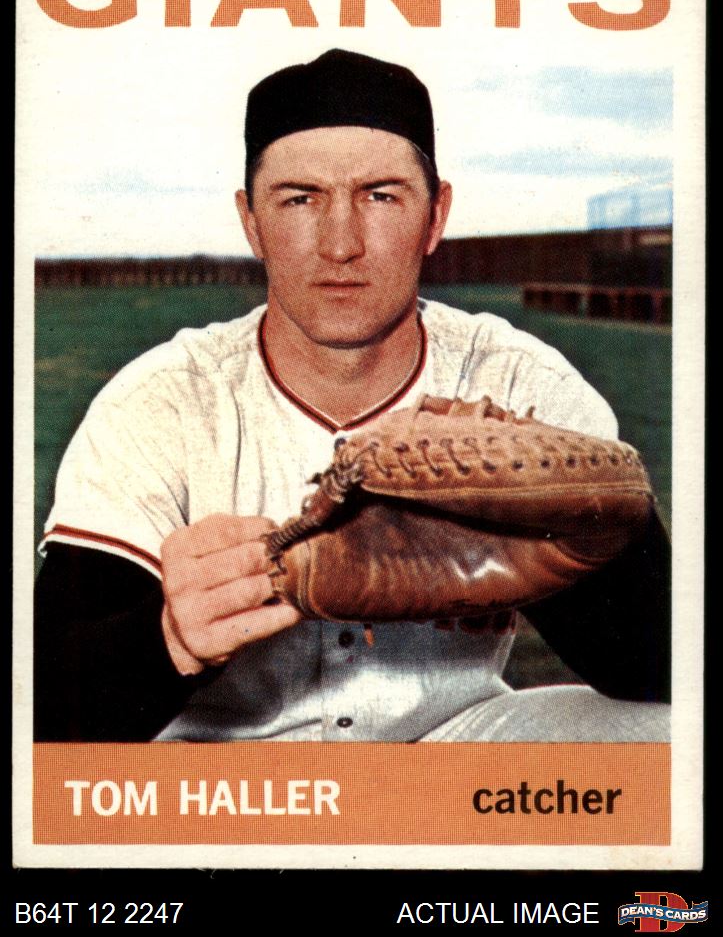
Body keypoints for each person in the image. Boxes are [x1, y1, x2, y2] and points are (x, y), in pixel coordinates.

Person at [34, 49, 670, 743]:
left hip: (453, 744)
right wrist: (169, 641)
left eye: (380, 196)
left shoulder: (520, 387)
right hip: (217, 766)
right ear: (251, 223)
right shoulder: (160, 400)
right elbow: (44, 715)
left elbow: (661, 669)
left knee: (668, 728)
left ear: (435, 217)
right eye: (299, 199)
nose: (340, 244)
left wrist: (577, 559)